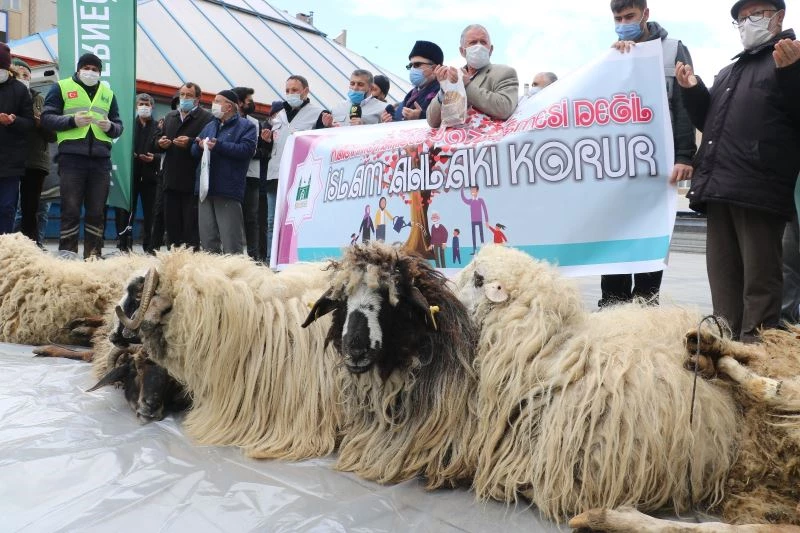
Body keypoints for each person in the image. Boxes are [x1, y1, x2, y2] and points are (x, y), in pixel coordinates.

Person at [675, 0, 800, 342]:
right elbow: (711, 123)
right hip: (719, 188)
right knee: (724, 281)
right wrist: (693, 91)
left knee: (760, 283)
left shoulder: (792, 59)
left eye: (755, 15)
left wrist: (792, 73)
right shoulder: (729, 72)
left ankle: (757, 360)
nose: (747, 23)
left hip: (760, 190)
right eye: (741, 19)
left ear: (779, 17)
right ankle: (727, 352)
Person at [599, 0, 698, 307]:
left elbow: (684, 104)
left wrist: (684, 156)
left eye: (629, 15)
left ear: (645, 14)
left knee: (650, 238)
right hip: (620, 169)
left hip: (659, 167)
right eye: (618, 17)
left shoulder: (673, 50)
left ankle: (644, 306)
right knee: (615, 239)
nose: (623, 22)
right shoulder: (613, 53)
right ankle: (612, 305)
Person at [41, 53, 123, 258]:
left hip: (100, 162)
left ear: (100, 73)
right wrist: (71, 121)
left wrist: (110, 127)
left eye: (95, 70)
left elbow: (119, 125)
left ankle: (93, 256)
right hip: (72, 160)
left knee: (96, 212)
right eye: (86, 68)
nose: (91, 72)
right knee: (70, 210)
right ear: (78, 69)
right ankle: (67, 255)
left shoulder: (108, 93)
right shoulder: (61, 87)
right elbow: (47, 118)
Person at [264, 76, 327, 264]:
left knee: (298, 220)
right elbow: (269, 147)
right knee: (272, 222)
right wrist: (266, 141)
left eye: (295, 90)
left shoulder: (318, 114)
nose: (291, 94)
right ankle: (271, 260)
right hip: (276, 174)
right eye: (288, 90)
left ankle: (294, 260)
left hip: (301, 177)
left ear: (306, 91)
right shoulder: (278, 115)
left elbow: (321, 146)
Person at [191, 89, 256, 255]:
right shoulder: (210, 126)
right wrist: (198, 146)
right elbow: (193, 151)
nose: (214, 104)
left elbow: (247, 150)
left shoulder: (246, 126)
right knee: (208, 240)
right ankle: (212, 278)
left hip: (227, 189)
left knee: (231, 241)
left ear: (229, 106)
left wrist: (219, 145)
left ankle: (234, 276)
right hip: (206, 189)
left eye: (218, 101)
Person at [156, 82, 213, 250]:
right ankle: (173, 260)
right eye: (182, 95)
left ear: (197, 99)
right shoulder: (170, 117)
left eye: (188, 95)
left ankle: (190, 262)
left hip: (192, 181)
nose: (184, 98)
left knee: (190, 227)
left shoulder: (207, 118)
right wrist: (161, 143)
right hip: (170, 179)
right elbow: (157, 140)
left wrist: (190, 143)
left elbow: (207, 146)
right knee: (172, 226)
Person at [426, 24, 519, 127]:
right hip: (454, 140)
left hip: (486, 140)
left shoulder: (505, 72)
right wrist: (444, 89)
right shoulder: (454, 76)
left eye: (483, 42)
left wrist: (467, 86)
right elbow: (432, 122)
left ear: (491, 49)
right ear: (462, 51)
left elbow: (505, 108)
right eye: (473, 43)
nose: (479, 46)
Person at [11, 57, 52, 245]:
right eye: (18, 74)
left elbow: (52, 135)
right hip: (8, 160)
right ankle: (9, 246)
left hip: (35, 161)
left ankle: (31, 248)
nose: (22, 78)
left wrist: (40, 123)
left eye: (26, 74)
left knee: (31, 209)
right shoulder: (5, 97)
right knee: (8, 206)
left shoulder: (39, 99)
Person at [114, 93, 161, 253]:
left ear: (152, 107)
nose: (144, 107)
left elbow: (163, 151)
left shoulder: (159, 127)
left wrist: (154, 158)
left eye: (147, 104)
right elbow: (119, 147)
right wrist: (129, 155)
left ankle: (150, 246)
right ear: (136, 106)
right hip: (130, 176)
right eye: (141, 104)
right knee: (126, 211)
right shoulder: (127, 125)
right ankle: (124, 244)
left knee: (151, 213)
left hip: (151, 177)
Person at [0, 45, 34, 235]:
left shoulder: (20, 90)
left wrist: (13, 121)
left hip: (11, 162)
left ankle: (3, 249)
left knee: (7, 208)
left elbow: (29, 123)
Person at [233, 86, 268, 260]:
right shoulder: (225, 120)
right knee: (231, 217)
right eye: (249, 101)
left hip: (251, 176)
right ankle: (234, 255)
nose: (251, 104)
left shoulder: (255, 123)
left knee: (251, 218)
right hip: (231, 175)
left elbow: (263, 150)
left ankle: (253, 257)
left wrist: (249, 151)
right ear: (239, 102)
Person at [381, 40, 444, 123]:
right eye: (411, 65)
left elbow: (449, 117)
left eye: (417, 65)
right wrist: (388, 121)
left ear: (434, 68)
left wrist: (421, 116)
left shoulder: (444, 90)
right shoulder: (411, 95)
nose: (413, 69)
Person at [461, 185, 489, 254]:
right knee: (474, 235)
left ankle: (483, 249)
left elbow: (485, 209)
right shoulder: (470, 201)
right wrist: (462, 189)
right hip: (473, 221)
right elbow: (464, 199)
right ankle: (474, 250)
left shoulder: (480, 200)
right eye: (471, 190)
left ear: (477, 191)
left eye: (474, 190)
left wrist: (486, 221)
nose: (472, 191)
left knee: (481, 235)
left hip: (479, 220)